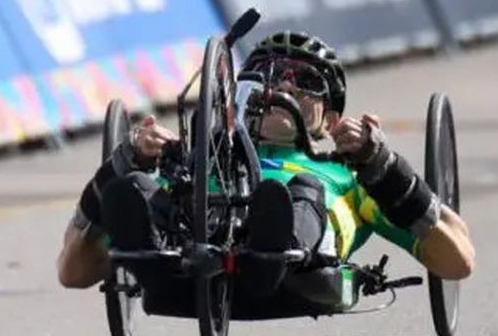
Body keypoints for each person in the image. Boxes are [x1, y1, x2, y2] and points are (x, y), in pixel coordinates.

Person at [56, 31, 476, 298]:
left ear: (329, 120)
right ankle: (150, 257)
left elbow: (458, 260)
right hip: (188, 244)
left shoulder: (350, 176)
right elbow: (72, 272)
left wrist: (385, 167)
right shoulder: (194, 166)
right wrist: (122, 164)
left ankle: (273, 249)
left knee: (299, 192)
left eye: (305, 81)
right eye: (267, 74)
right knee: (135, 190)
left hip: (299, 256)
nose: (282, 85)